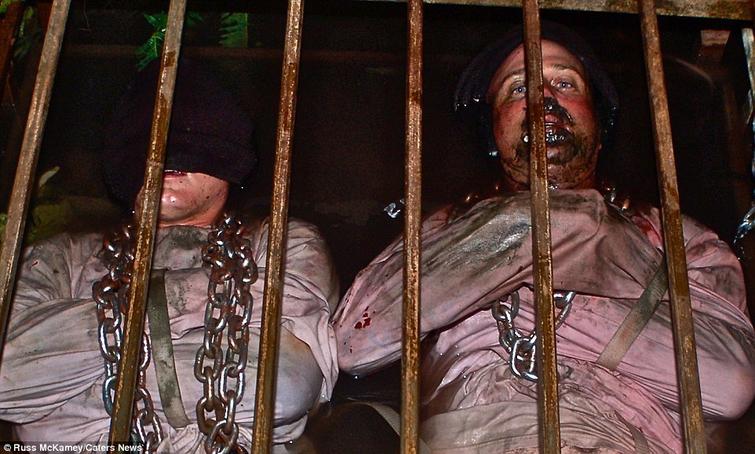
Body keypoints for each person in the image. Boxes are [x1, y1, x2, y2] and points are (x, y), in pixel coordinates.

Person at [333, 22, 755, 453]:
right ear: (493, 132)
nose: (543, 98)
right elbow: (355, 343)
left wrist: (527, 263)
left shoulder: (679, 240)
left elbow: (728, 382)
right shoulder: (443, 228)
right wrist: (549, 226)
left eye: (565, 82)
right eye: (517, 89)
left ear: (599, 120)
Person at [0, 60, 338, 452]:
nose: (168, 159)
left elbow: (280, 385)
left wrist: (80, 373)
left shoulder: (283, 244)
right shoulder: (58, 257)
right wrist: (208, 315)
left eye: (196, 139)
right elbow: (6, 379)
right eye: (149, 145)